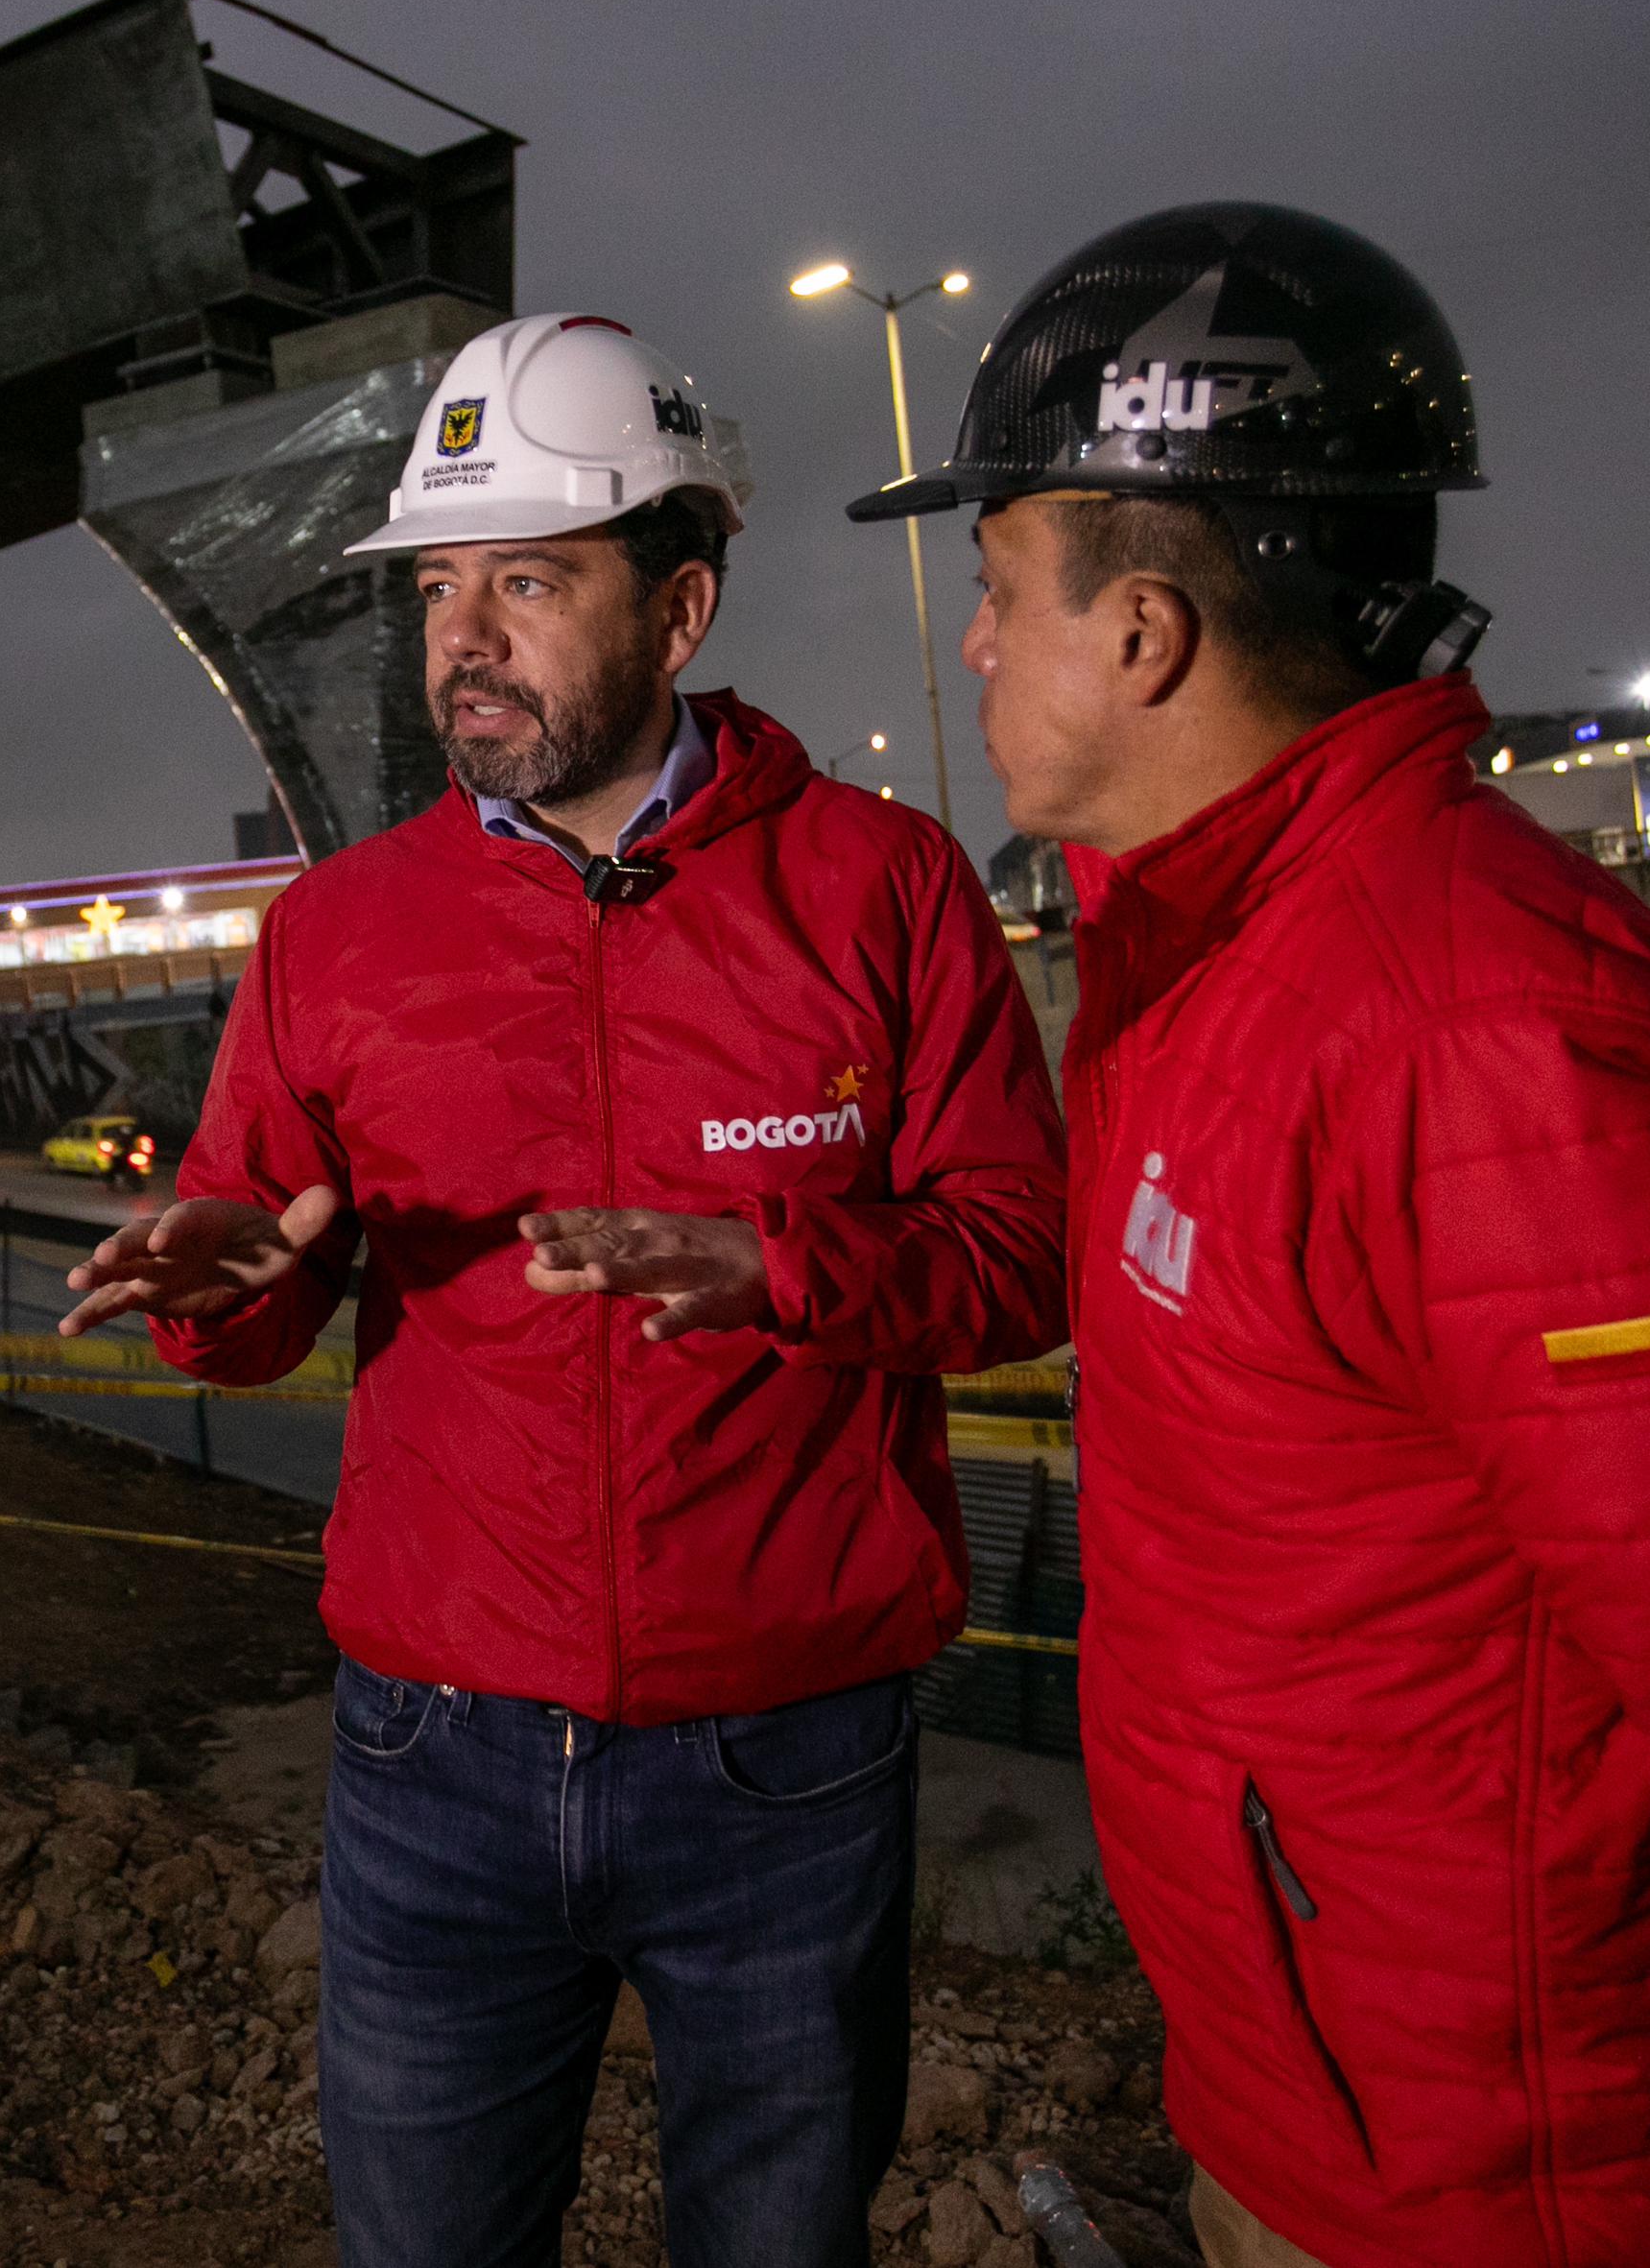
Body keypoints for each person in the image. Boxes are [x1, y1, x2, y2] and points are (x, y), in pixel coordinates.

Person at [849, 204, 1650, 2268]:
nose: (972, 643)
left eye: (994, 586)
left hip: (1536, 2168)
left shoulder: (1478, 1037)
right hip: (1336, 2096)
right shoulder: (1217, 961)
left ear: (1143, 631)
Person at [60, 309, 1071, 2267]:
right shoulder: (340, 936)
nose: (465, 636)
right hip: (433, 1758)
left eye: (529, 578)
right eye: (442, 585)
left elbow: (1016, 1253)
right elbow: (258, 1300)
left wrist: (788, 1268)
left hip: (784, 1752)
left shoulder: (883, 890)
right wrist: (217, 1285)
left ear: (679, 604)